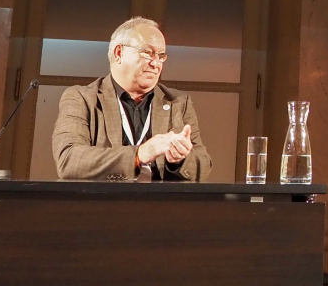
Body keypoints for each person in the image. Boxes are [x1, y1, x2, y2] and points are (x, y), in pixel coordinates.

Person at [52, 16, 212, 181]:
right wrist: (140, 154)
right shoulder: (82, 98)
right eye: (148, 53)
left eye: (161, 56)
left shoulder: (178, 102)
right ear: (119, 53)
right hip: (103, 198)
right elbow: (69, 160)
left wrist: (179, 160)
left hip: (159, 198)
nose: (156, 63)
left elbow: (203, 165)